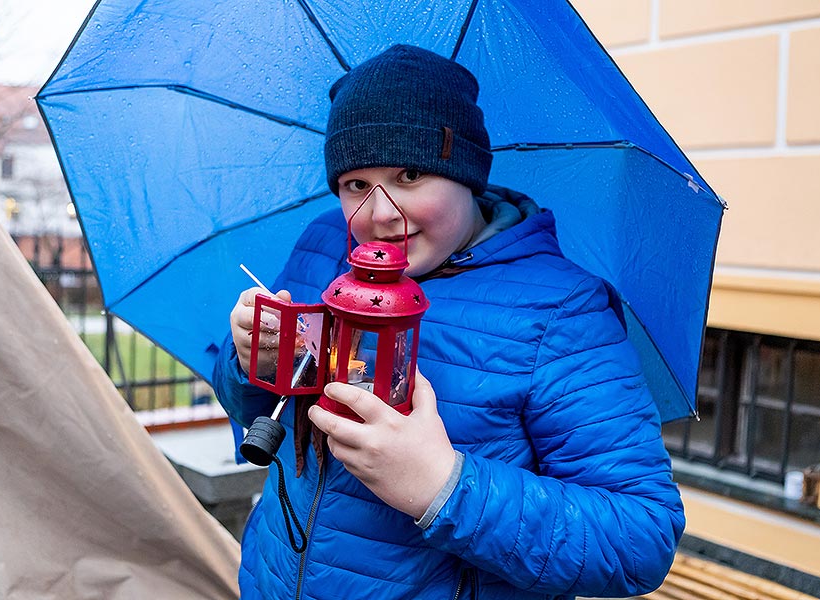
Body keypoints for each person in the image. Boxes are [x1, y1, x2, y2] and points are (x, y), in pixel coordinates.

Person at [213, 44, 685, 600]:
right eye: (355, 185)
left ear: (466, 172)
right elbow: (261, 409)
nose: (381, 215)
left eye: (409, 174)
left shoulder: (560, 309)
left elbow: (640, 539)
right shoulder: (324, 244)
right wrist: (250, 361)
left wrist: (442, 485)